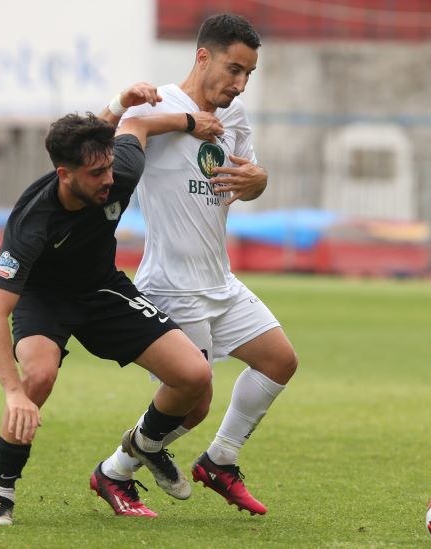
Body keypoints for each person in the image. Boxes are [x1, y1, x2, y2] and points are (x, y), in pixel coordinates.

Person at [0, 83, 225, 525]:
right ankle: (1, 493)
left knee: (194, 376)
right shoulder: (32, 222)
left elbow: (136, 127)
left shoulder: (119, 172)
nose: (108, 179)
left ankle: (144, 445)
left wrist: (186, 121)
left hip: (101, 289)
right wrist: (13, 394)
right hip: (45, 298)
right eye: (95, 173)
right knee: (38, 377)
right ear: (64, 175)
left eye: (108, 166)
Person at [96, 14, 298, 517]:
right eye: (234, 69)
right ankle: (116, 470)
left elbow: (247, 177)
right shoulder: (158, 103)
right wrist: (169, 118)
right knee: (195, 401)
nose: (240, 84)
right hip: (171, 285)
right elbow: (99, 139)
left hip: (219, 280)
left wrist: (260, 180)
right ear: (203, 57)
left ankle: (219, 461)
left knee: (280, 361)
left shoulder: (236, 116)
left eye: (249, 73)